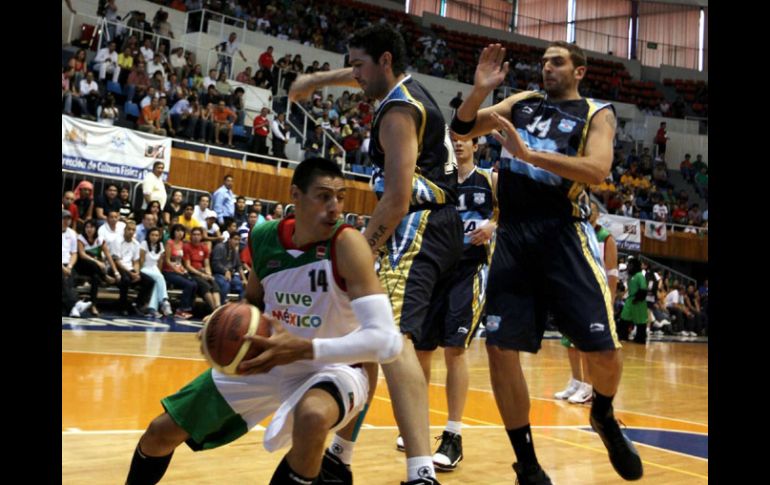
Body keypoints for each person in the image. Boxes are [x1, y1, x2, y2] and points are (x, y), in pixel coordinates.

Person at [124, 157, 403, 485]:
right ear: (295, 196)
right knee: (160, 432)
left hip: (335, 366)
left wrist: (303, 349)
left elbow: (387, 341)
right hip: (267, 357)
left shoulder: (347, 244)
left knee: (312, 418)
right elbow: (253, 302)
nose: (335, 208)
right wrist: (221, 322)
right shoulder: (265, 236)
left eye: (340, 197)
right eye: (324, 196)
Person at [451, 41, 642, 482]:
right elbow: (462, 130)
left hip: (563, 234)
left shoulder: (597, 111)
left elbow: (596, 170)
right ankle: (528, 464)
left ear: (579, 71)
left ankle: (605, 415)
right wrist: (480, 90)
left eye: (556, 61)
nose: (546, 68)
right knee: (500, 350)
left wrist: (528, 154)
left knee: (606, 353)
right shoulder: (522, 103)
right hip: (515, 236)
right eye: (543, 62)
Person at [289, 23, 464, 484]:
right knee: (372, 332)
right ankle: (341, 454)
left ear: (385, 61)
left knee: (394, 340)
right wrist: (314, 81)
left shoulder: (397, 113)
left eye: (361, 65)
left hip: (419, 224)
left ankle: (420, 471)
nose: (355, 75)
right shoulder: (404, 91)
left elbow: (397, 199)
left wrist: (361, 252)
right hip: (434, 227)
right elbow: (356, 76)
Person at [406, 135, 497, 472]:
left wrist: (493, 225)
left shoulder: (490, 179)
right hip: (435, 268)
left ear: (477, 146)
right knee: (422, 350)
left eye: (466, 141)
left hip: (469, 270)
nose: (459, 145)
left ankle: (453, 435)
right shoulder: (437, 180)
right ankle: (417, 423)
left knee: (454, 349)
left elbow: (515, 211)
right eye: (454, 140)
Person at [553, 200, 618, 404]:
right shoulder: (576, 233)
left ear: (598, 215)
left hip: (595, 294)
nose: (590, 214)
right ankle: (577, 381)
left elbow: (612, 272)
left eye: (594, 211)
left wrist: (611, 297)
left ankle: (590, 386)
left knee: (586, 343)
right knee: (569, 341)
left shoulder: (605, 238)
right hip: (573, 290)